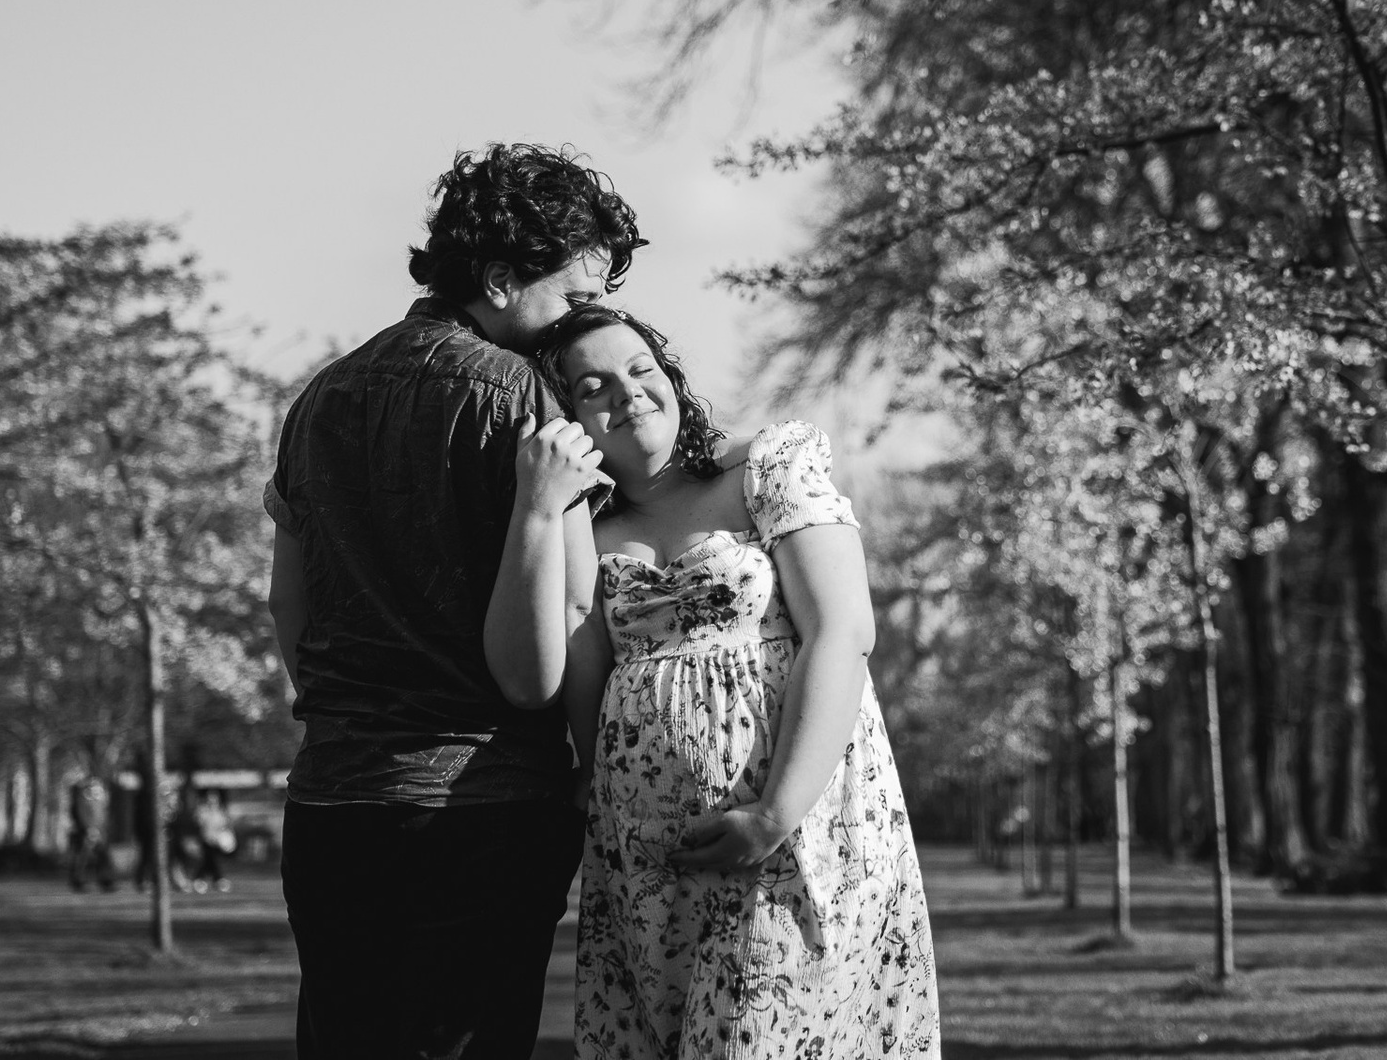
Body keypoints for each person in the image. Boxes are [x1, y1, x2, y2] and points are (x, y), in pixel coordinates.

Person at [264, 143, 643, 1058]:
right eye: (573, 296)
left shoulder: (319, 399)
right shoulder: (527, 402)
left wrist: (351, 714)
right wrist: (592, 766)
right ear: (502, 279)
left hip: (332, 806)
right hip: (481, 812)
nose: (585, 320)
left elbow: (287, 605)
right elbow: (571, 617)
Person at [523, 305, 941, 1060]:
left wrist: (776, 814)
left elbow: (842, 632)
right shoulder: (581, 526)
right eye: (593, 387)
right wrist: (594, 790)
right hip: (649, 861)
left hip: (796, 833)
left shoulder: (766, 467)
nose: (628, 393)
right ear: (567, 420)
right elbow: (587, 673)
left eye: (641, 369)